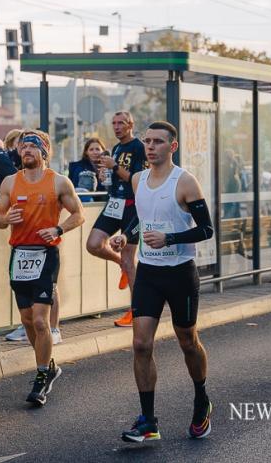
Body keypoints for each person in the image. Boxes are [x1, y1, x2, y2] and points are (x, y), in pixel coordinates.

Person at [110, 121, 215, 442]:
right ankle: (148, 421)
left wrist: (169, 238)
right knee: (141, 344)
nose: (150, 146)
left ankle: (201, 399)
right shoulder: (139, 180)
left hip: (181, 273)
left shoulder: (185, 182)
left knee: (187, 341)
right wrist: (124, 235)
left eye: (157, 142)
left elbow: (206, 230)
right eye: (147, 141)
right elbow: (141, 220)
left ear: (173, 146)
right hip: (149, 274)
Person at [0, 130, 84, 406]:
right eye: (23, 146)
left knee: (42, 321)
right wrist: (6, 218)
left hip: (46, 254)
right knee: (28, 321)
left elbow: (78, 214)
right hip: (19, 255)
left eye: (33, 146)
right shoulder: (10, 182)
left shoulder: (58, 182)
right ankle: (49, 365)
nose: (26, 150)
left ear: (44, 152)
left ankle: (42, 376)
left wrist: (58, 228)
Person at [86, 111, 147, 328]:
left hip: (132, 206)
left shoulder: (139, 147)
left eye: (121, 123)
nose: (117, 126)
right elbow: (115, 180)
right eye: (113, 123)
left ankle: (136, 311)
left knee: (131, 261)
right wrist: (105, 178)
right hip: (114, 203)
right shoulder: (116, 148)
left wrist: (114, 167)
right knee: (93, 244)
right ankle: (119, 263)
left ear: (131, 124)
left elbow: (136, 179)